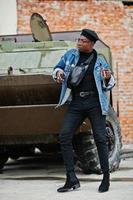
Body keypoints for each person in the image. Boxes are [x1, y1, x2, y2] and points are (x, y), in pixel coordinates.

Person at [52, 29, 115, 193]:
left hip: (95, 102)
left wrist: (107, 77)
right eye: (78, 40)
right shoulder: (71, 55)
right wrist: (58, 72)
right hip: (77, 102)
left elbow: (110, 81)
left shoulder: (100, 60)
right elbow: (57, 68)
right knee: (64, 136)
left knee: (100, 138)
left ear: (91, 44)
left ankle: (106, 178)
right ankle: (71, 178)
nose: (79, 43)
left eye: (83, 41)